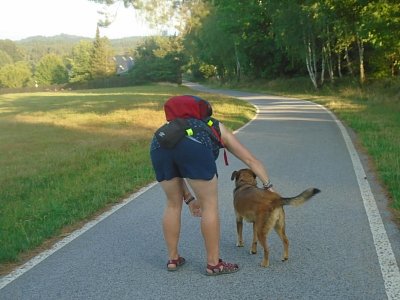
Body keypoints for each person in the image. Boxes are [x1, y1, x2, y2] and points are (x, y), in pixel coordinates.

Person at [150, 95, 273, 276]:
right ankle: (214, 264)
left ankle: (173, 259)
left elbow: (177, 170)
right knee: (209, 206)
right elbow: (249, 159)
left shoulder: (167, 130)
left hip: (158, 146)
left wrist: (190, 198)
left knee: (172, 204)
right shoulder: (211, 124)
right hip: (195, 147)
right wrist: (268, 185)